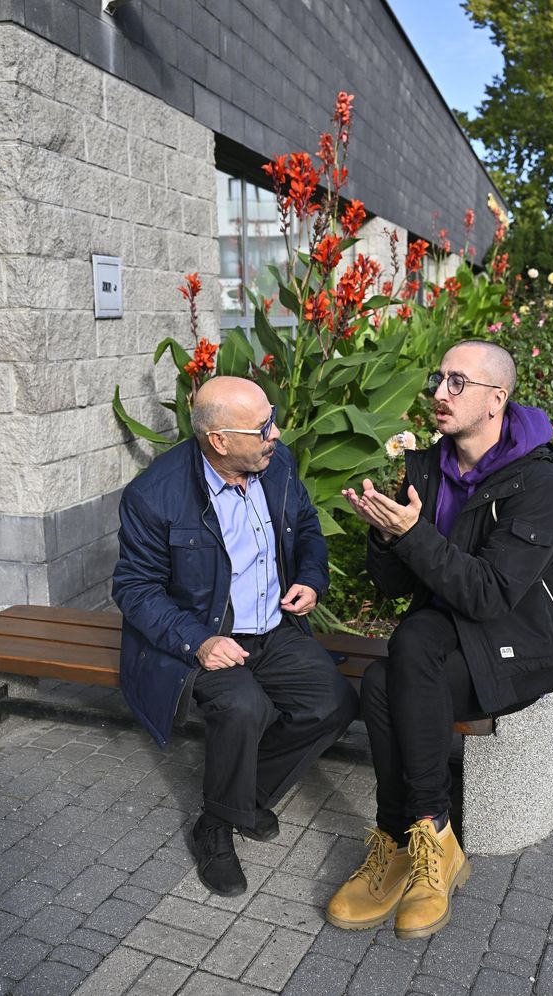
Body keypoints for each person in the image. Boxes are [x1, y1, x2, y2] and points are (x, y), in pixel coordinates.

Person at [326, 340, 553, 940]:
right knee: (400, 658)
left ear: (496, 400)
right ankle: (422, 838)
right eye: (440, 379)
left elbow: (489, 595)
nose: (439, 393)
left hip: (517, 647)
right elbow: (394, 585)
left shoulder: (537, 484)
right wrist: (386, 536)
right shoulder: (427, 467)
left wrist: (412, 537)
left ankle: (409, 836)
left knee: (392, 672)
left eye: (458, 383)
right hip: (440, 641)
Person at [113, 376, 358, 897]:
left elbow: (308, 527)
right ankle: (215, 829)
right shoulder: (154, 497)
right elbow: (134, 589)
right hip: (204, 637)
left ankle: (241, 799)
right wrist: (198, 640)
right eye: (263, 427)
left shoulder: (275, 461)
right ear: (219, 440)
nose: (276, 433)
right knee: (243, 706)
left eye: (272, 419)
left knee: (333, 703)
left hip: (274, 625)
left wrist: (311, 578)